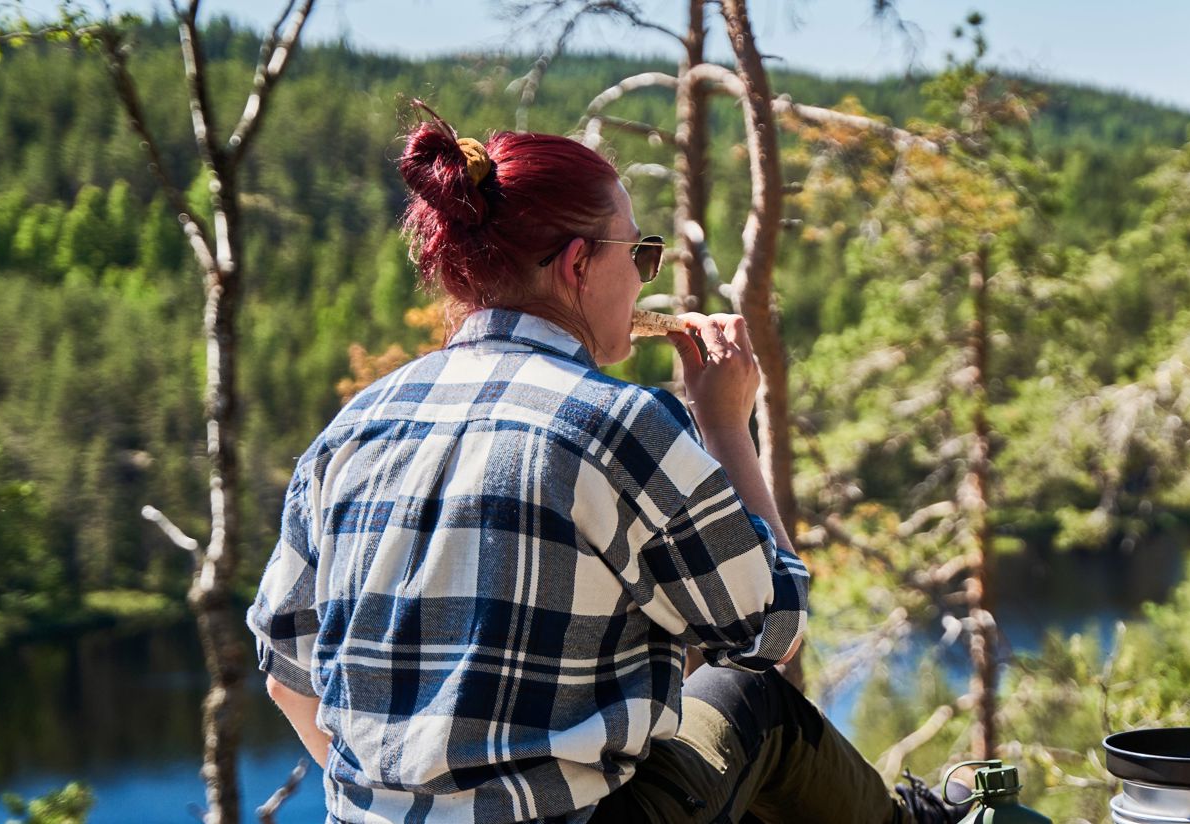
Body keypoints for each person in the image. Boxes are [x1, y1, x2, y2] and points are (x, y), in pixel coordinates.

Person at [245, 107, 967, 823]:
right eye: (639, 257)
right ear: (579, 263)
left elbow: (288, 679)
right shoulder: (617, 425)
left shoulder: (351, 432)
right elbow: (771, 629)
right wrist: (725, 424)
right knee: (752, 700)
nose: (646, 281)